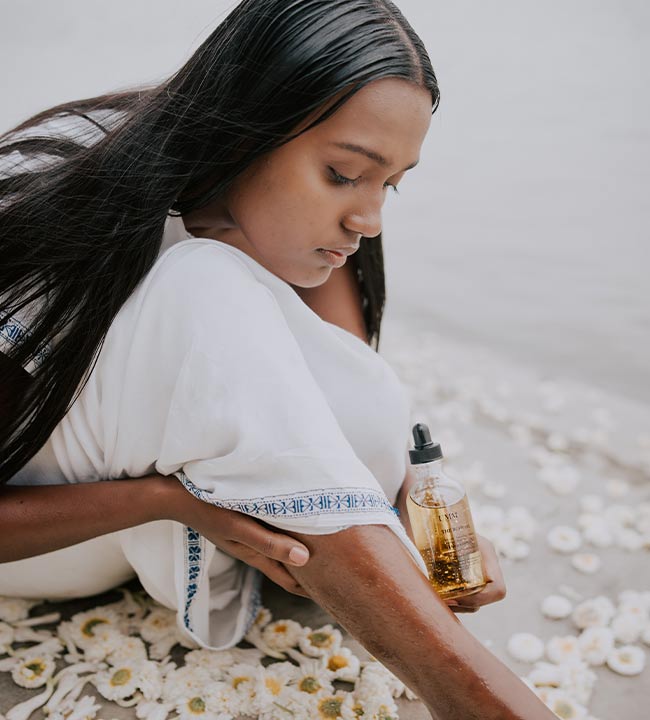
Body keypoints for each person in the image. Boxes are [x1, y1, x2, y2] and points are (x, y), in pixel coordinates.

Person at [0, 1, 557, 717]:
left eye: (390, 182)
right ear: (247, 127)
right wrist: (171, 502)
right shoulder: (60, 192)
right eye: (343, 173)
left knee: (372, 396)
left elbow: (355, 417)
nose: (370, 219)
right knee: (202, 280)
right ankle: (470, 692)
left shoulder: (326, 230)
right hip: (58, 540)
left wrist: (420, 508)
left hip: (190, 515)